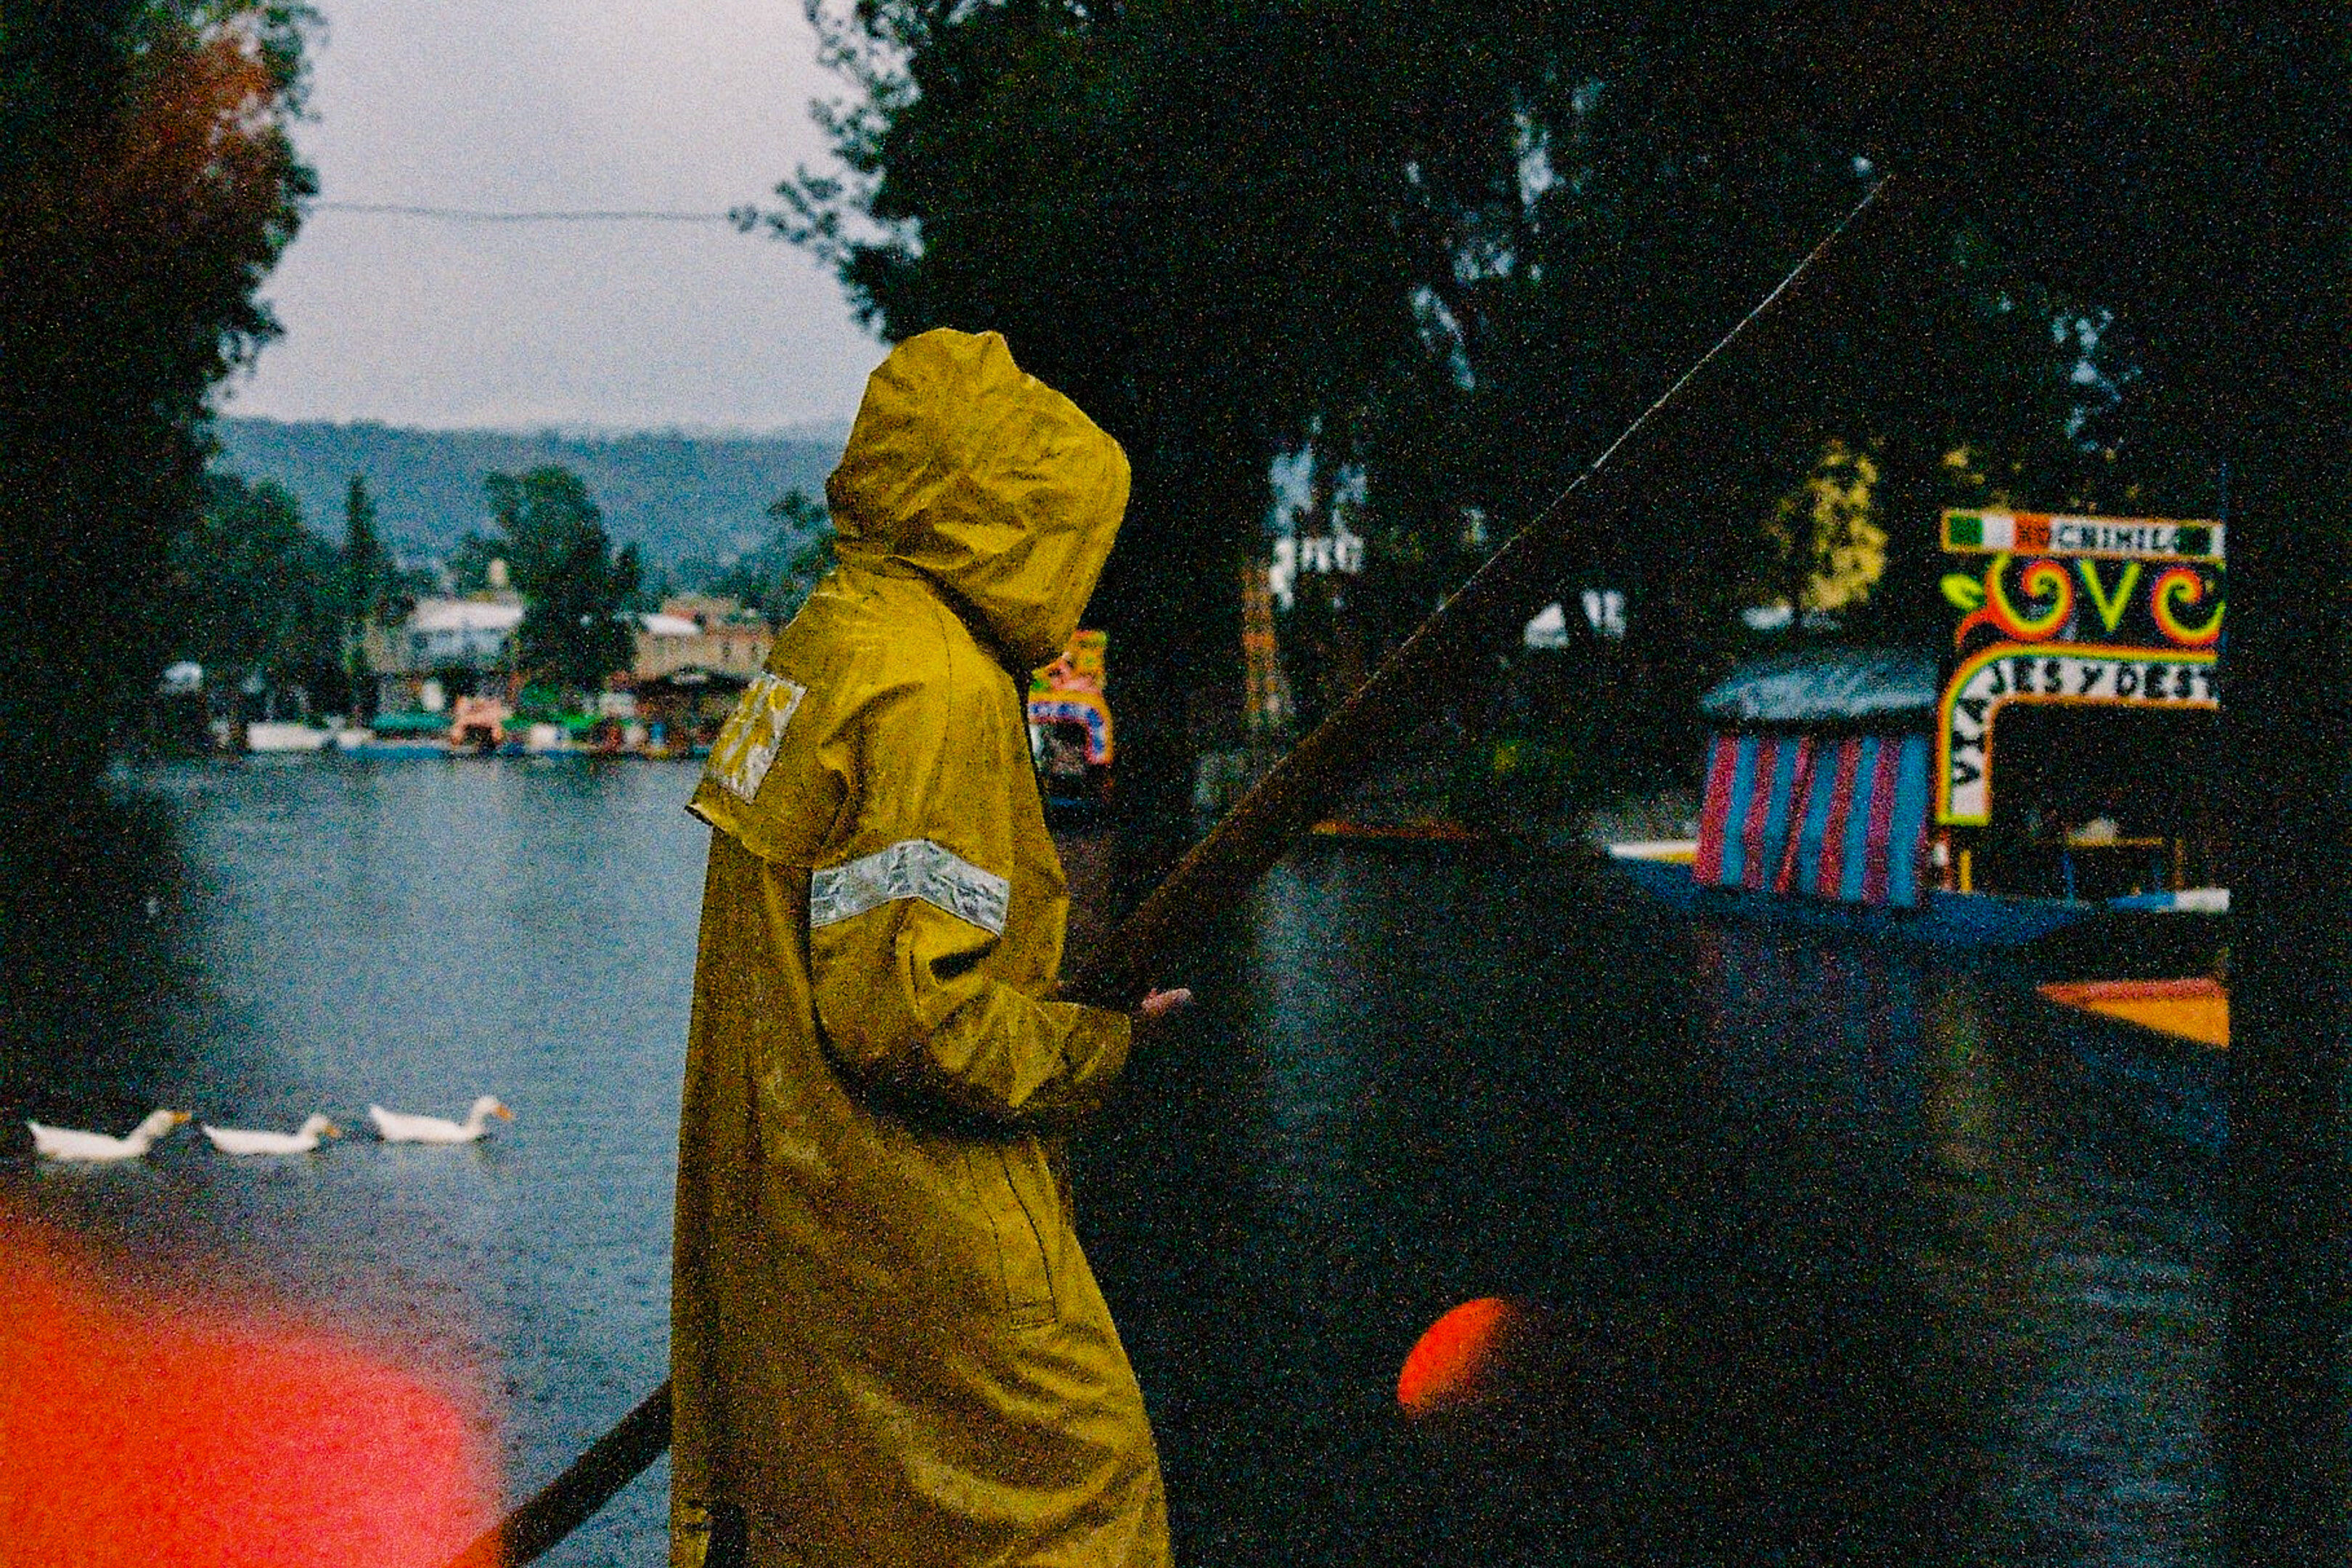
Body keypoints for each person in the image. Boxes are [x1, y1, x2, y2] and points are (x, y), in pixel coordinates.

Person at [670, 328, 1187, 1568]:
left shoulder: (833, 640)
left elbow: (858, 947)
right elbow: (911, 1012)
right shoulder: (936, 689)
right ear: (1013, 515)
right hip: (910, 1225)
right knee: (1080, 1501)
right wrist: (1094, 1043)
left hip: (798, 1214)